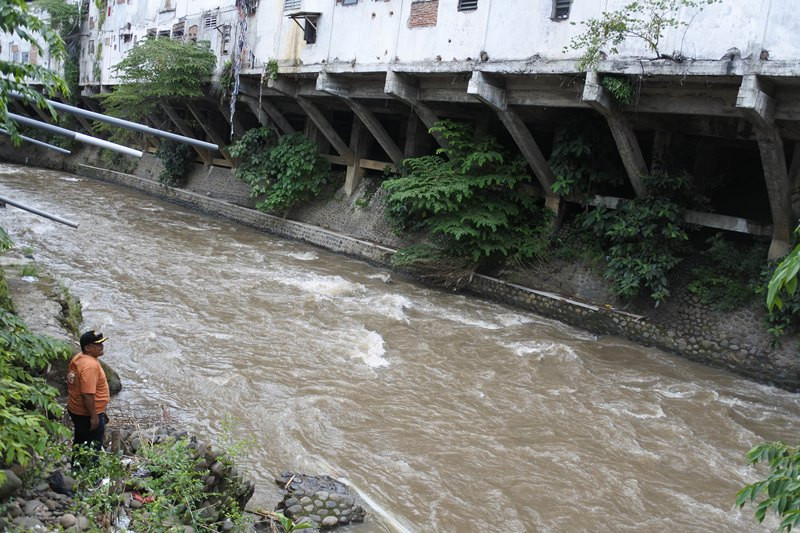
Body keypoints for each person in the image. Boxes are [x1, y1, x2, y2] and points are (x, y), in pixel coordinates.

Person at [66, 330, 110, 452]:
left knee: (80, 442)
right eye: (98, 344)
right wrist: (94, 417)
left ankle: (76, 467)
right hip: (86, 414)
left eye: (102, 343)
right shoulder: (90, 366)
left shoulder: (79, 358)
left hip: (76, 409)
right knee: (92, 448)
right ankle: (88, 470)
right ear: (88, 348)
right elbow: (87, 394)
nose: (102, 346)